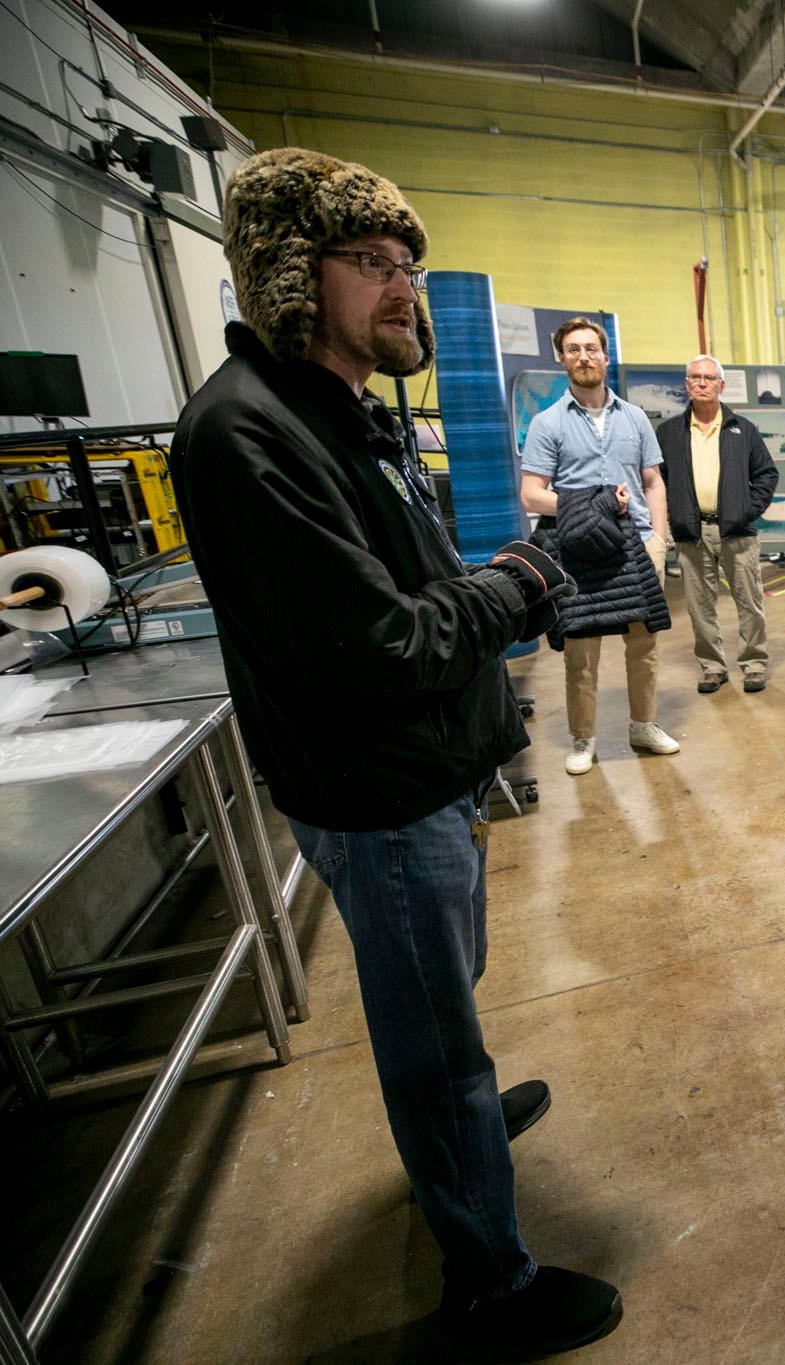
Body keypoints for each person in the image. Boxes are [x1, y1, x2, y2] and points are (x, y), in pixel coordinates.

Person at [169, 149, 621, 1356]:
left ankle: (463, 1133)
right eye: (370, 263)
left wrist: (504, 579)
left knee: (446, 1002)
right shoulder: (245, 435)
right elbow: (378, 645)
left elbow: (412, 585)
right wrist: (530, 572)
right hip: (379, 797)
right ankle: (490, 1281)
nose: (402, 289)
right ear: (286, 273)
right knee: (429, 1046)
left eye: (407, 266)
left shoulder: (340, 410)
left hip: (432, 772)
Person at [519, 318, 677, 774]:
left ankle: (643, 725)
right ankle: (583, 738)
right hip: (577, 550)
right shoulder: (549, 423)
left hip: (638, 545)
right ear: (562, 358)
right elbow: (533, 493)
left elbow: (653, 481)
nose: (584, 356)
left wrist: (658, 537)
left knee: (644, 644)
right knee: (580, 651)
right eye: (573, 349)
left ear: (606, 357)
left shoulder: (634, 418)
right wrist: (593, 505)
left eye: (592, 348)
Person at [655, 355, 780, 693]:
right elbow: (657, 480)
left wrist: (746, 510)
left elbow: (767, 474)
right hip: (691, 533)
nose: (702, 383)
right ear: (686, 385)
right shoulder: (669, 433)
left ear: (721, 386)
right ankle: (713, 667)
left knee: (749, 601)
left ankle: (754, 664)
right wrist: (672, 515)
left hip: (736, 531)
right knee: (699, 607)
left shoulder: (743, 430)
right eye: (695, 377)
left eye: (709, 378)